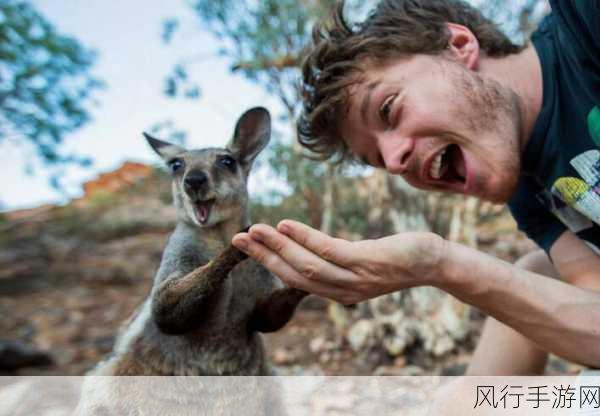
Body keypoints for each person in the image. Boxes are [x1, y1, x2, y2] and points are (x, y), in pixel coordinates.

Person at [232, 0, 600, 374]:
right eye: (378, 160)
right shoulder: (529, 195)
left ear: (458, 45)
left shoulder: (583, 23)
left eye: (389, 109)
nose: (394, 162)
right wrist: (439, 264)